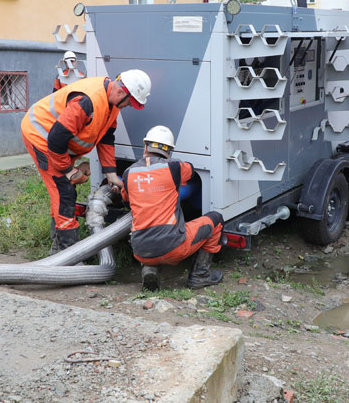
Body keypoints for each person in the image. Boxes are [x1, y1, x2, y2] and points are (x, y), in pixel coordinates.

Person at [21, 70, 151, 254]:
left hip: (59, 142)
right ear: (122, 92)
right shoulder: (86, 101)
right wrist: (69, 171)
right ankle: (67, 254)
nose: (129, 106)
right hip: (41, 137)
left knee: (65, 189)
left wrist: (111, 174)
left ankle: (58, 248)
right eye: (131, 102)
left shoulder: (112, 103)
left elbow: (106, 137)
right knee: (63, 190)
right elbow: (56, 139)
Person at [121, 126, 224, 291]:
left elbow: (126, 200)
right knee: (216, 219)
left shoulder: (128, 173)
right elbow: (190, 171)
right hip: (174, 248)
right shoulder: (174, 167)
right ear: (169, 152)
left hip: (140, 250)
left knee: (149, 235)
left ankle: (149, 268)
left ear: (145, 146)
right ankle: (200, 275)